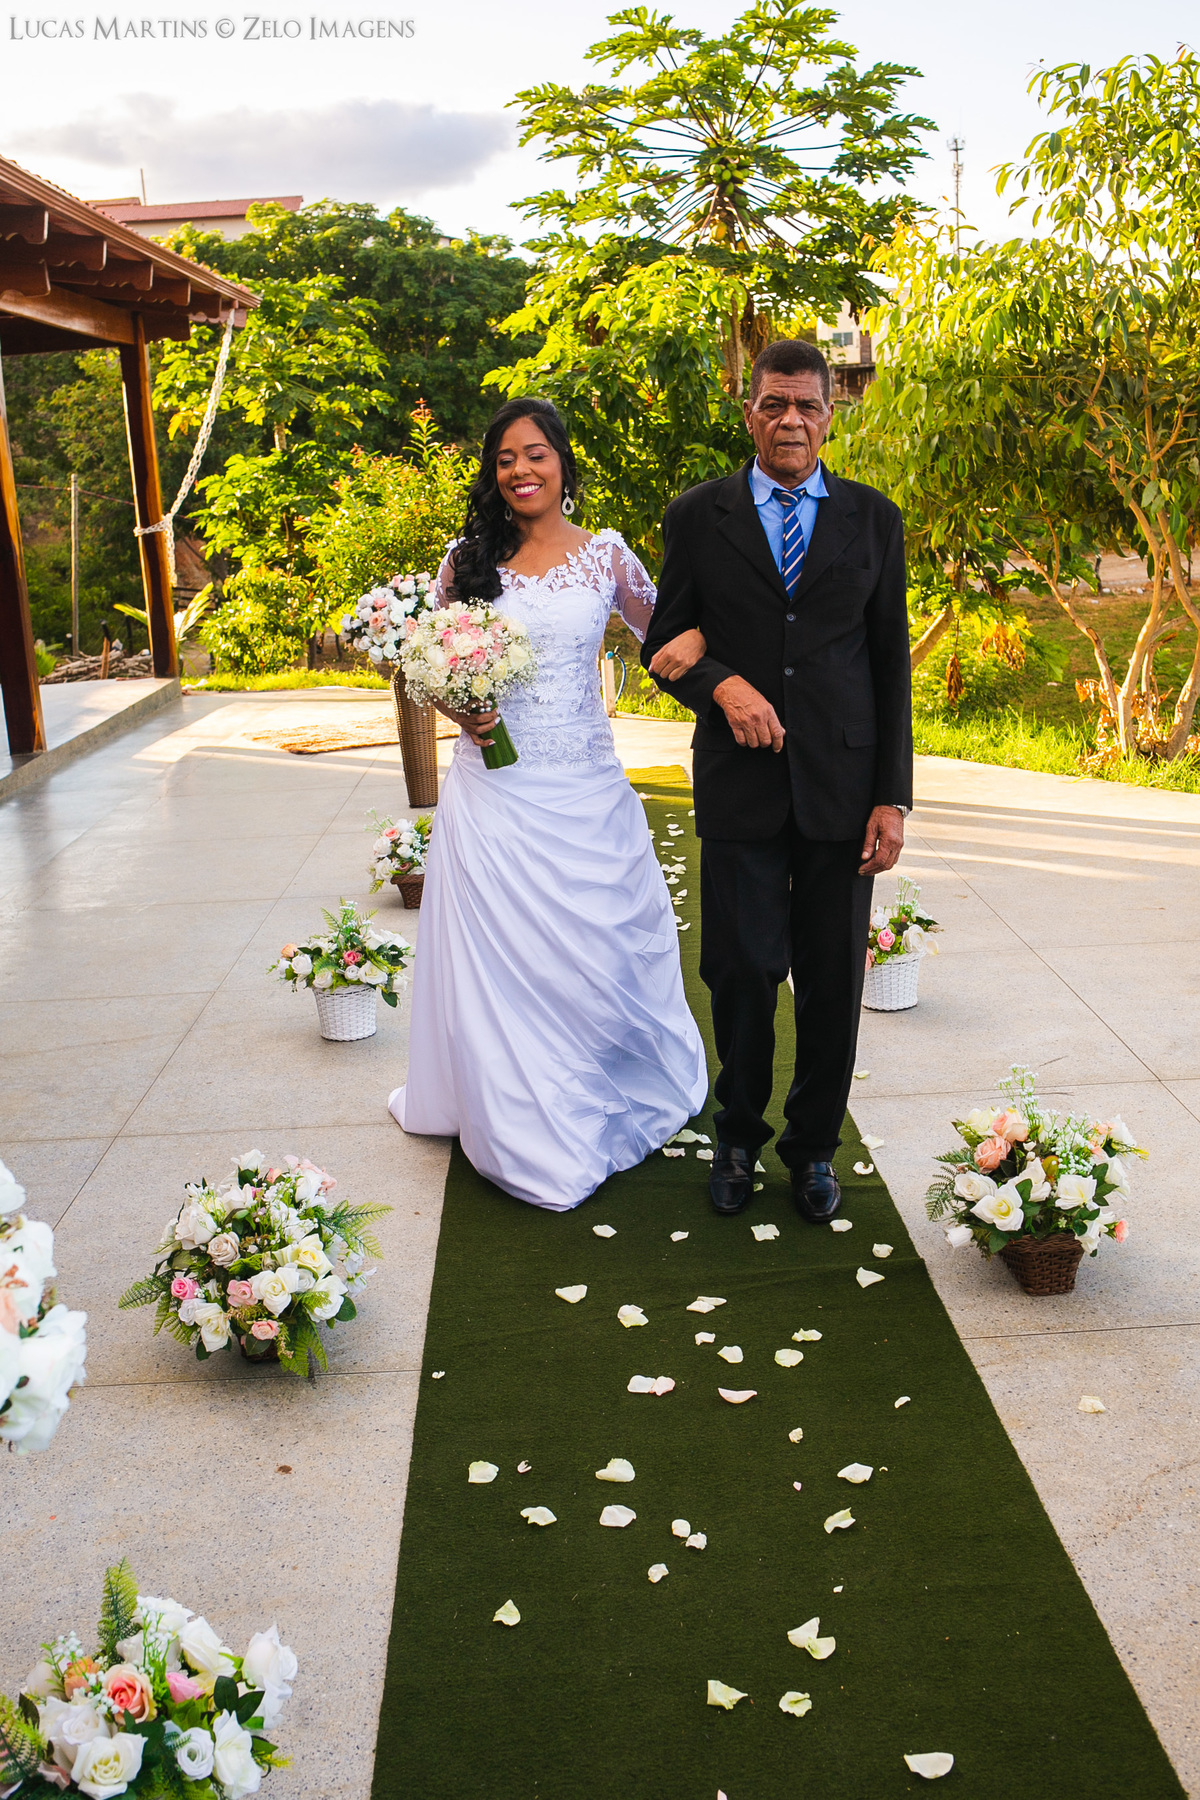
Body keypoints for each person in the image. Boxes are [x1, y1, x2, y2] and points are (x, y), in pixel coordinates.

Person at [388, 397, 709, 1210]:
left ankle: (602, 1081)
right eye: (505, 460)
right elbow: (430, 665)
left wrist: (723, 662)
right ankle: (521, 1116)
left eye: (535, 454)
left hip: (588, 789)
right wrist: (463, 708)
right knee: (506, 967)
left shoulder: (605, 555)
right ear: (493, 476)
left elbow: (669, 635)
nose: (521, 471)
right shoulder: (467, 562)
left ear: (562, 461)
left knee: (599, 953)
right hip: (494, 792)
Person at [641, 339, 912, 1222]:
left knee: (831, 979)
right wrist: (720, 682)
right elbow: (664, 646)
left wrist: (892, 795)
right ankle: (738, 1135)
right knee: (742, 971)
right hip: (740, 786)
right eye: (773, 404)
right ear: (748, 410)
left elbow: (887, 662)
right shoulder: (697, 515)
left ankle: (812, 1149)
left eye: (807, 405)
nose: (790, 419)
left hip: (843, 786)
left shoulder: (874, 519)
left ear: (830, 414)